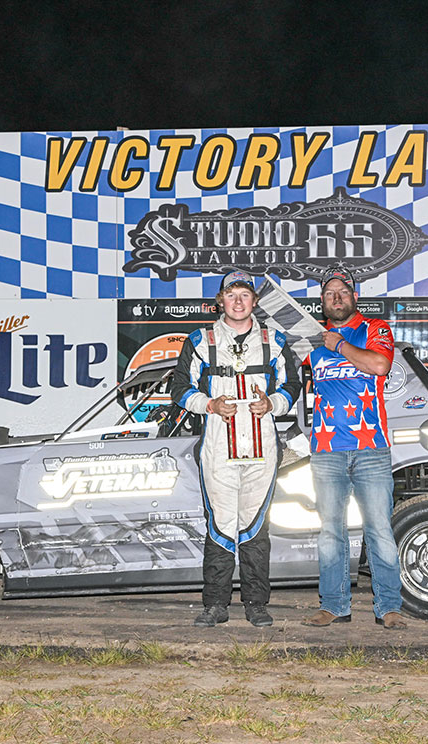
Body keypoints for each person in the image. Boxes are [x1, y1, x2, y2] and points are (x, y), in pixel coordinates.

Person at [171, 271, 301, 627]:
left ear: (255, 302)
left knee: (256, 525)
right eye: (232, 295)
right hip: (218, 448)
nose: (239, 301)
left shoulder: (273, 339)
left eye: (245, 295)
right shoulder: (201, 339)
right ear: (220, 301)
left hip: (262, 449)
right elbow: (179, 387)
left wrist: (273, 403)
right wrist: (209, 405)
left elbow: (294, 383)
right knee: (221, 525)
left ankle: (256, 604)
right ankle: (215, 604)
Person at [302, 269, 408, 630]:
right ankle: (334, 605)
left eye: (342, 291)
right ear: (322, 302)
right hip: (326, 450)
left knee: (378, 529)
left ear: (354, 297)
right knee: (330, 532)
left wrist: (338, 345)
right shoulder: (312, 340)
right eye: (328, 292)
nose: (335, 297)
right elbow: (281, 373)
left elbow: (380, 365)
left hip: (371, 448)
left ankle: (389, 607)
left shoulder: (374, 329)